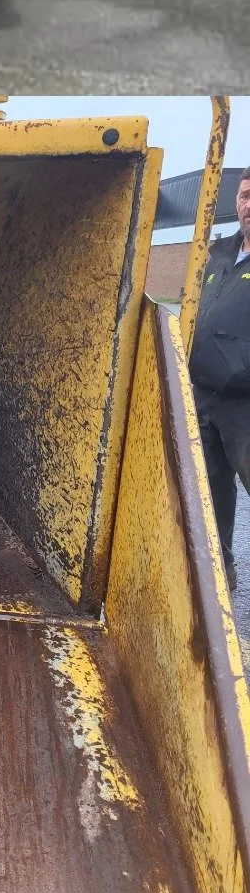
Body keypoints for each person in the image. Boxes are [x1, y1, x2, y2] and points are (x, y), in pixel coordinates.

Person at [189, 165, 250, 589]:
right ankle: (219, 582)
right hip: (205, 399)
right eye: (245, 196)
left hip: (246, 404)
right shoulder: (218, 255)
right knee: (210, 497)